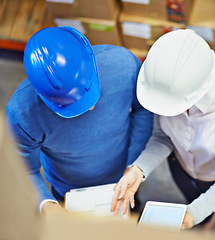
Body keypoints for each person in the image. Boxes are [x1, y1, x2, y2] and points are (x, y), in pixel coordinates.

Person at [111, 29, 215, 232]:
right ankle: (207, 219)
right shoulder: (163, 88)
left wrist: (193, 213)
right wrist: (138, 170)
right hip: (185, 172)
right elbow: (163, 136)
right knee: (199, 211)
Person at [5, 26, 153, 215]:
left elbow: (144, 111)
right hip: (67, 192)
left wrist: (133, 163)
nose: (88, 107)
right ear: (43, 96)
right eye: (70, 105)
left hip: (124, 178)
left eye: (89, 92)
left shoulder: (124, 65)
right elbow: (23, 170)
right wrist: (47, 205)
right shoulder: (22, 113)